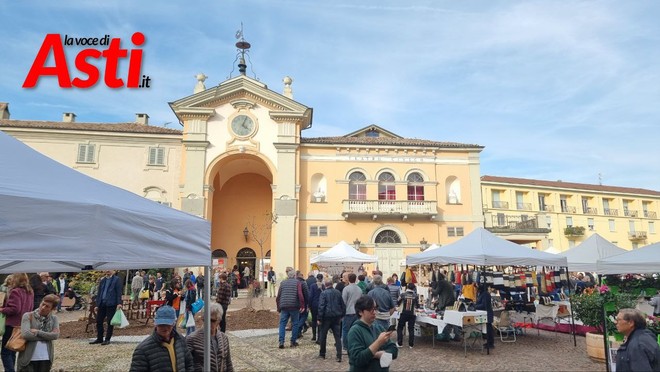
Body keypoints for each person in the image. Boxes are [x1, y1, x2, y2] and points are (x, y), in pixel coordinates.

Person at [130, 305, 193, 372]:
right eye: (161, 324)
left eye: (168, 324)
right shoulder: (143, 350)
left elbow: (189, 364)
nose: (165, 328)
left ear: (174, 323)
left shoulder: (180, 340)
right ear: (155, 324)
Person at [347, 295, 398, 371]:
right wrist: (378, 344)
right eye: (370, 309)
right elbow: (358, 359)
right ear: (361, 312)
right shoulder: (355, 331)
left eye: (375, 309)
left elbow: (394, 350)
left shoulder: (379, 328)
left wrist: (383, 353)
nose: (374, 312)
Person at [17, 294, 60, 372]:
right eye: (43, 304)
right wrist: (47, 336)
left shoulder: (54, 319)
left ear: (52, 309)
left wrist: (37, 332)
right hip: (28, 358)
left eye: (47, 306)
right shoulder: (28, 316)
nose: (43, 307)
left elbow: (55, 335)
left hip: (45, 358)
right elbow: (26, 334)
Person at [186, 302, 234, 372]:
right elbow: (187, 365)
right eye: (206, 319)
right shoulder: (192, 339)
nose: (209, 323)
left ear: (219, 321)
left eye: (212, 320)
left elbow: (228, 364)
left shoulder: (224, 338)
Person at [0, 273, 34, 372]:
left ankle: (10, 370)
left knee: (5, 352)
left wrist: (2, 309)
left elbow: (14, 309)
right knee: (13, 350)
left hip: (12, 324)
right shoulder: (30, 291)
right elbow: (31, 308)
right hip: (23, 324)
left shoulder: (16, 291)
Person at [90, 270, 123, 346]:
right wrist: (97, 304)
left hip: (111, 303)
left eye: (109, 269)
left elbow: (119, 292)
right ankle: (99, 338)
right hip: (102, 303)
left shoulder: (116, 279)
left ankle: (107, 339)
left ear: (113, 270)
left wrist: (119, 303)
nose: (107, 270)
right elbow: (100, 292)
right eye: (106, 269)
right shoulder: (103, 280)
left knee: (110, 322)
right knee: (98, 320)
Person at [317, 279, 345, 362]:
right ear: (332, 284)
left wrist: (319, 318)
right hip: (336, 317)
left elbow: (321, 306)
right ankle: (339, 355)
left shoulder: (323, 293)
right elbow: (342, 305)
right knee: (337, 337)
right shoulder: (338, 292)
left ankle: (322, 354)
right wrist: (342, 315)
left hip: (326, 317)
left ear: (325, 285)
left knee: (323, 335)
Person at [276, 270, 305, 348]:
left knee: (282, 324)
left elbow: (278, 296)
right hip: (294, 305)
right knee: (295, 323)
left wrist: (278, 307)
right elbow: (300, 294)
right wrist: (302, 305)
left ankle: (281, 342)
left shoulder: (282, 283)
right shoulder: (297, 283)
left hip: (284, 306)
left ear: (288, 276)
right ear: (294, 276)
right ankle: (293, 341)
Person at [342, 273, 363, 352]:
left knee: (345, 330)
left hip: (348, 312)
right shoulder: (359, 289)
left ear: (348, 279)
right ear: (356, 279)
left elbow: (343, 301)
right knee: (356, 330)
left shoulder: (346, 289)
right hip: (357, 312)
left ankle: (345, 346)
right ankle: (354, 345)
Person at [396, 283, 419, 348]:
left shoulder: (403, 294)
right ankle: (411, 344)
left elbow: (398, 302)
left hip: (404, 313)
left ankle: (400, 343)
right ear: (414, 288)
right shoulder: (416, 295)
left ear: (407, 287)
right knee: (411, 328)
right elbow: (418, 305)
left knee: (400, 327)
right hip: (412, 314)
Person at [475, 284, 495, 349]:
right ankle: (489, 342)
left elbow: (483, 305)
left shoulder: (485, 294)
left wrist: (475, 307)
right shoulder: (482, 294)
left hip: (487, 313)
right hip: (485, 313)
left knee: (488, 329)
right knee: (487, 328)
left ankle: (490, 343)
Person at [308, 273, 324, 342]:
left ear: (316, 279)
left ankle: (314, 335)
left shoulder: (313, 286)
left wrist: (309, 305)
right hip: (321, 305)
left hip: (314, 305)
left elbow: (310, 296)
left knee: (314, 320)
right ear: (322, 279)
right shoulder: (323, 286)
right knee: (320, 320)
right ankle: (319, 337)